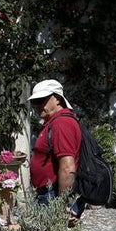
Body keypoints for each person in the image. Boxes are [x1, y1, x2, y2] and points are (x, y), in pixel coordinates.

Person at [28, 78, 84, 217]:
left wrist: (61, 204)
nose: (37, 106)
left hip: (52, 196)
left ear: (57, 99)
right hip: (48, 194)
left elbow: (67, 166)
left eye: (42, 100)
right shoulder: (54, 122)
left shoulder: (61, 123)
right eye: (34, 102)